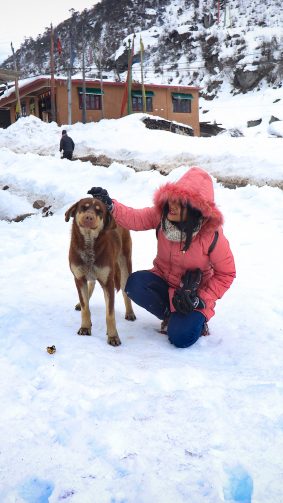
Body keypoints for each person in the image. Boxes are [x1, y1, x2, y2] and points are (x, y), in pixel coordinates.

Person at [87, 166, 236, 348]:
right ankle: (170, 316)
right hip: (164, 281)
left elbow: (226, 274)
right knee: (134, 284)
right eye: (171, 199)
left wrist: (202, 298)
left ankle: (195, 322)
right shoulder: (163, 217)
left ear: (194, 208)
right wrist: (110, 206)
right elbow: (135, 218)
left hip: (192, 294)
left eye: (179, 202)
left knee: (181, 338)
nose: (171, 205)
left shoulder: (211, 234)